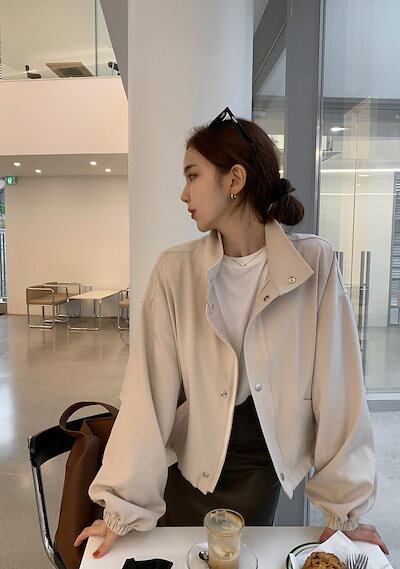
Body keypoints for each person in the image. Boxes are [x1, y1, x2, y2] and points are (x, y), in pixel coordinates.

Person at [74, 107, 388, 558]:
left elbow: (339, 392)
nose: (183, 193)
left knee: (238, 558)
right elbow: (147, 394)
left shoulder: (313, 265)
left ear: (234, 180)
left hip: (261, 464)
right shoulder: (175, 271)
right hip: (190, 460)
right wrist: (119, 509)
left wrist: (345, 515)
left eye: (192, 175)